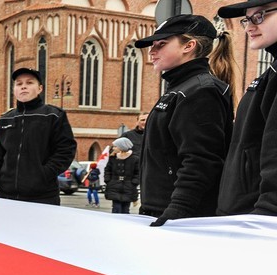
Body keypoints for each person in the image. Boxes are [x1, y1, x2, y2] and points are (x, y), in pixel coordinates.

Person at [135, 14, 235, 226]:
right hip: (162, 210)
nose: (152, 51)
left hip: (182, 217)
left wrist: (176, 211)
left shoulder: (201, 91)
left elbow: (201, 160)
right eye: (152, 45)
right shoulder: (182, 88)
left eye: (161, 44)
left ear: (189, 46)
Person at [216, 0, 277, 215]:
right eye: (246, 20)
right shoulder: (270, 74)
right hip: (243, 215)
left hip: (260, 222)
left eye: (259, 16)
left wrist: (266, 214)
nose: (250, 26)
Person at [0, 68, 77, 204]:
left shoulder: (53, 115)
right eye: (19, 84)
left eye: (29, 82)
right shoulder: (4, 120)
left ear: (40, 88)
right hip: (7, 196)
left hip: (43, 197)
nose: (23, 86)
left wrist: (44, 174)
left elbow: (66, 151)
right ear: (14, 90)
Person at [103, 137, 140, 214]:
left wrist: (134, 182)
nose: (113, 148)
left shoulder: (134, 159)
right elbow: (107, 170)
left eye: (115, 146)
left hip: (128, 187)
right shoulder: (113, 158)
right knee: (116, 208)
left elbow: (138, 172)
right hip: (114, 186)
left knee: (125, 209)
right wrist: (108, 180)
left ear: (122, 147)